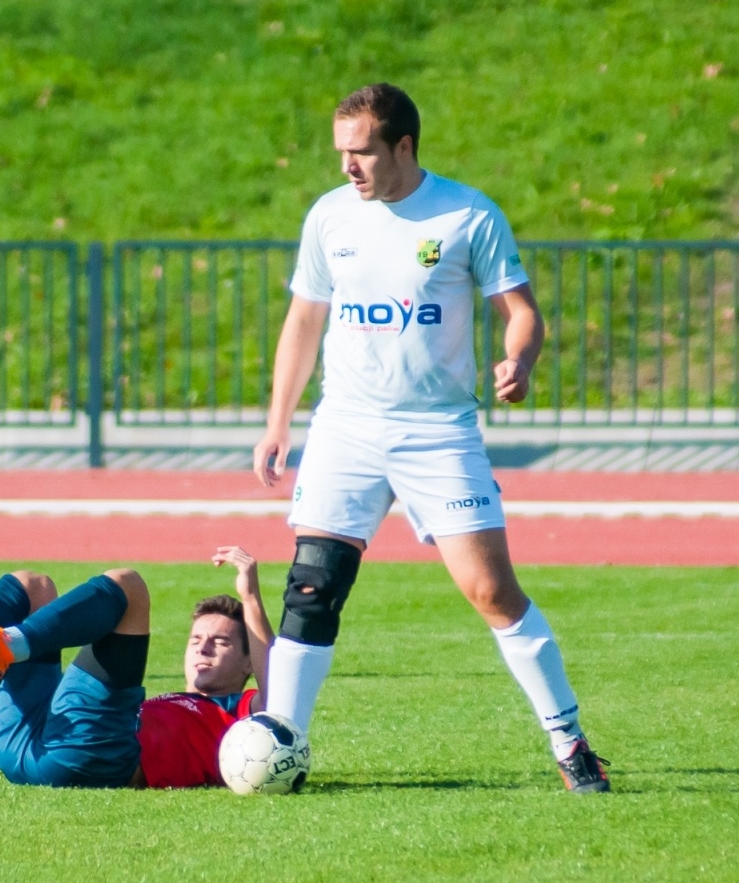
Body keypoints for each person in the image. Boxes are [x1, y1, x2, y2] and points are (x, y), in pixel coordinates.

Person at [252, 83, 609, 792]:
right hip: (347, 427)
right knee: (312, 585)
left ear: (403, 147)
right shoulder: (329, 217)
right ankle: (283, 744)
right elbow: (303, 322)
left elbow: (522, 312)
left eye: (361, 153)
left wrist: (522, 360)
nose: (347, 168)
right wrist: (277, 420)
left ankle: (569, 742)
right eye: (340, 153)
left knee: (490, 591)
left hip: (437, 431)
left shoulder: (467, 215)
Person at [0, 547, 274, 789]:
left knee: (129, 585)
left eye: (220, 642)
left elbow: (281, 690)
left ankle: (1, 648)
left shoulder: (243, 715)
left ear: (247, 663)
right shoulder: (170, 700)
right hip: (23, 749)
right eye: (196, 639)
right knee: (32, 585)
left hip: (90, 754)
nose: (203, 647)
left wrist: (250, 594)